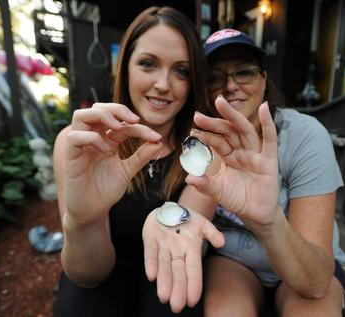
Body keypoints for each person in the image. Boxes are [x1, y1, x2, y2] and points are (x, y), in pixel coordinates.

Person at [52, 7, 224, 316]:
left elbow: (181, 251)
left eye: (181, 71)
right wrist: (84, 221)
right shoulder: (79, 144)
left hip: (168, 273)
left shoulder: (205, 153)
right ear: (125, 67)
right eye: (148, 64)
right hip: (98, 282)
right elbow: (89, 274)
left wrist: (169, 228)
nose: (163, 84)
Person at [184, 29, 345, 316]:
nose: (230, 85)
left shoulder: (305, 134)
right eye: (215, 77)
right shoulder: (204, 140)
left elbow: (316, 282)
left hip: (305, 260)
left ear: (263, 79)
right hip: (235, 263)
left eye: (243, 72)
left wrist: (269, 221)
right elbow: (187, 223)